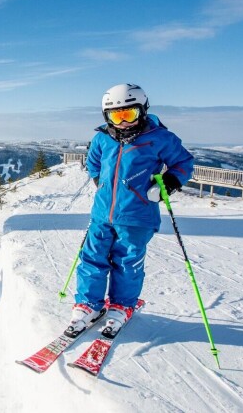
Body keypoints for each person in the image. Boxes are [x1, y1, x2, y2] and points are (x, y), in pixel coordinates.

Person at [71, 84, 194, 335]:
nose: (124, 122)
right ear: (107, 116)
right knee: (91, 258)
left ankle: (121, 305)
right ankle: (89, 304)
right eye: (117, 116)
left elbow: (183, 162)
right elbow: (94, 162)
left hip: (138, 215)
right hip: (102, 213)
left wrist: (169, 183)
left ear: (143, 110)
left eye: (130, 114)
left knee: (127, 262)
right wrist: (99, 181)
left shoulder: (160, 138)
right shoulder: (102, 138)